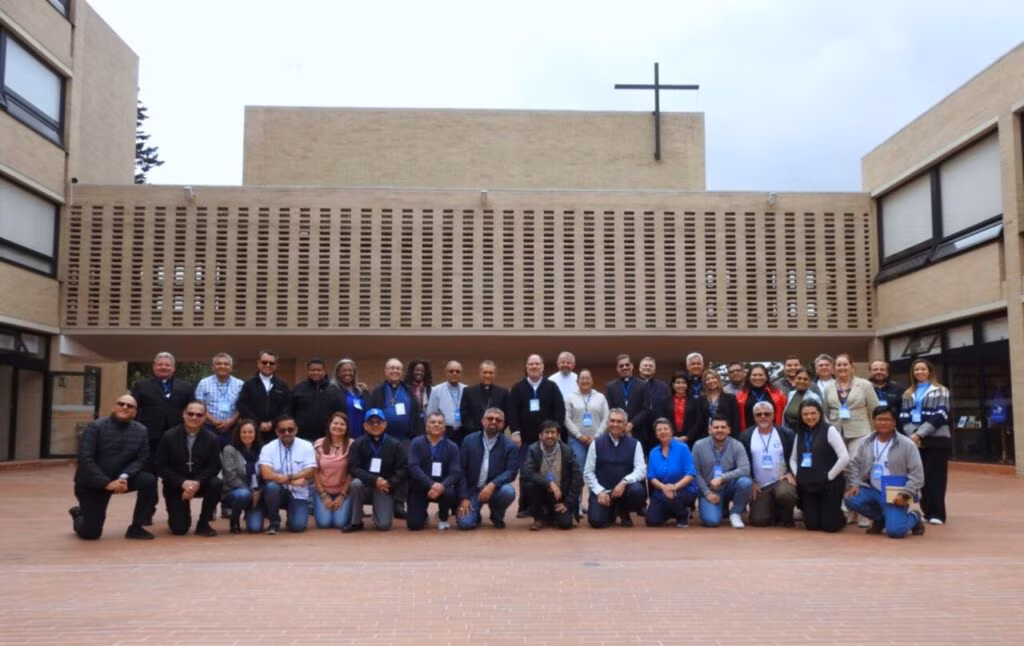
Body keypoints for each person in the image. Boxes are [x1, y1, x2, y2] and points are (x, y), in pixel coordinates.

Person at [69, 394, 156, 540]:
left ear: (135, 412)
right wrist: (106, 483)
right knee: (91, 534)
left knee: (149, 480)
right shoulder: (95, 427)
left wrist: (124, 476)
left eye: (130, 406)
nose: (124, 407)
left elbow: (142, 458)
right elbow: (85, 459)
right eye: (121, 404)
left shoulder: (141, 430)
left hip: (121, 480)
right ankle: (78, 514)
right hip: (92, 483)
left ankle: (136, 527)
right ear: (114, 407)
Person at [131, 351, 193, 525]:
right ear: (154, 367)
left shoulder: (186, 387)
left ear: (173, 368)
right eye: (160, 364)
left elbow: (191, 411)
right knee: (149, 478)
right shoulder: (141, 386)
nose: (163, 367)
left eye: (167, 365)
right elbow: (134, 411)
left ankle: (177, 513)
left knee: (175, 476)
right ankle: (146, 514)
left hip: (176, 441)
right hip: (150, 440)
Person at [845, 407, 927, 538]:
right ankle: (881, 519)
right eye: (879, 419)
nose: (883, 422)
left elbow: (917, 475)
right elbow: (854, 464)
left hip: (895, 492)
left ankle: (914, 517)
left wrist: (905, 495)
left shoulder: (907, 444)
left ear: (894, 422)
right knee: (851, 499)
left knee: (895, 532)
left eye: (887, 419)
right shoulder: (866, 442)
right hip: (872, 489)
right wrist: (854, 484)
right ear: (873, 421)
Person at [823, 353, 880, 526]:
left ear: (852, 367)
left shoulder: (864, 385)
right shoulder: (829, 387)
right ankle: (848, 509)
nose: (842, 368)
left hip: (860, 431)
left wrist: (875, 433)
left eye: (845, 364)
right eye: (838, 365)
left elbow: (875, 409)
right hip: (837, 433)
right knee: (844, 470)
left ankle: (863, 511)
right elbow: (825, 412)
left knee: (859, 469)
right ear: (834, 368)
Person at [155, 400, 223, 537]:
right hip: (175, 485)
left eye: (199, 415)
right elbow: (160, 466)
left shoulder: (212, 439)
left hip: (200, 483)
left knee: (216, 483)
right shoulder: (169, 436)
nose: (194, 417)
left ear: (204, 417)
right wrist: (182, 482)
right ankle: (178, 511)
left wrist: (196, 483)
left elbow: (214, 466)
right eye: (190, 413)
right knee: (179, 529)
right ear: (184, 414)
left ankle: (204, 523)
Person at [509, 354, 566, 516]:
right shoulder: (518, 387)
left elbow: (559, 410)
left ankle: (548, 504)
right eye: (531, 364)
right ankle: (525, 507)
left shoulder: (552, 386)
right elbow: (512, 411)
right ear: (526, 367)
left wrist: (556, 432)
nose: (534, 366)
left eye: (537, 364)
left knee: (548, 471)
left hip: (548, 439)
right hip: (525, 439)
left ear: (542, 367)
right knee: (526, 473)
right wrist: (515, 432)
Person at [899, 358, 951, 526]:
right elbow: (904, 416)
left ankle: (938, 513)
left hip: (936, 440)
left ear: (929, 371)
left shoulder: (941, 390)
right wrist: (912, 435)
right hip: (915, 441)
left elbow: (941, 414)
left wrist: (919, 434)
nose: (919, 372)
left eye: (923, 369)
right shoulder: (908, 393)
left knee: (936, 478)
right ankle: (927, 512)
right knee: (921, 477)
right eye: (916, 370)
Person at [368, 358, 422, 518]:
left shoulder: (408, 391)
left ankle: (399, 503)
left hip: (404, 439)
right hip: (381, 438)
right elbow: (370, 414)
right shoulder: (377, 391)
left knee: (404, 469)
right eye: (391, 368)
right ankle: (381, 502)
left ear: (402, 372)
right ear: (386, 371)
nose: (395, 371)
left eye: (398, 368)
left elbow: (416, 415)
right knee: (382, 468)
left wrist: (417, 438)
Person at [790, 399, 849, 533]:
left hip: (829, 485)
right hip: (809, 485)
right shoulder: (800, 433)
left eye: (813, 413)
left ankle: (839, 516)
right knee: (812, 525)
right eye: (805, 414)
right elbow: (793, 459)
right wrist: (798, 474)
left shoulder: (830, 430)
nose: (809, 417)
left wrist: (829, 476)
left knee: (829, 526)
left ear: (820, 413)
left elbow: (844, 457)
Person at [583, 408, 647, 528]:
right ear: (607, 423)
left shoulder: (635, 444)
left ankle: (623, 511)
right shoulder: (596, 443)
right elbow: (588, 472)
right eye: (612, 421)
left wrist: (624, 482)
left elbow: (641, 470)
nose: (615, 424)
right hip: (603, 491)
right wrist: (599, 491)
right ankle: (611, 511)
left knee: (638, 491)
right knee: (597, 522)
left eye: (619, 421)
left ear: (625, 424)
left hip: (625, 491)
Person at [456, 408, 519, 530]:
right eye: (490, 418)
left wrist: (492, 484)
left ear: (503, 424)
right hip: (472, 489)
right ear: (483, 421)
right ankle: (475, 514)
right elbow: (461, 470)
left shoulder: (509, 445)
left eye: (498, 420)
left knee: (508, 491)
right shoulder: (469, 440)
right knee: (465, 524)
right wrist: (464, 498)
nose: (494, 422)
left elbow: (511, 471)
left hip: (496, 489)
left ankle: (496, 515)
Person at [347, 408, 408, 532]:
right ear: (365, 425)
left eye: (379, 422)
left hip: (384, 488)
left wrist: (389, 483)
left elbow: (402, 468)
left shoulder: (395, 444)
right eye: (371, 422)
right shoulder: (358, 444)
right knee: (355, 484)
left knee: (383, 525)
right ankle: (356, 522)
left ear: (385, 424)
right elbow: (353, 467)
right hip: (365, 487)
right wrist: (374, 480)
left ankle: (378, 514)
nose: (375, 425)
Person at [738, 401, 798, 527]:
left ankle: (787, 515)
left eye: (767, 414)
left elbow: (795, 456)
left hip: (781, 480)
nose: (763, 417)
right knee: (759, 521)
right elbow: (741, 462)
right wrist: (750, 481)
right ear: (754, 417)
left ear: (773, 415)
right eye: (759, 414)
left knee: (786, 494)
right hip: (759, 485)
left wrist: (791, 472)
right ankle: (773, 510)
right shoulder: (746, 436)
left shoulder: (786, 434)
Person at [692, 414, 753, 528]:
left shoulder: (737, 445)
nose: (720, 430)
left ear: (729, 430)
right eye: (716, 427)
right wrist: (707, 493)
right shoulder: (699, 446)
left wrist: (722, 478)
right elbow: (695, 472)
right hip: (710, 489)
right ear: (710, 430)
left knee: (745, 482)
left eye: (723, 427)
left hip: (729, 486)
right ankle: (721, 507)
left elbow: (745, 469)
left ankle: (735, 513)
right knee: (712, 521)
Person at [521, 420, 583, 530]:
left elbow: (577, 478)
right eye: (546, 432)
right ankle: (538, 518)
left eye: (553, 432)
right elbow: (527, 472)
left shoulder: (567, 451)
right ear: (540, 436)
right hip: (541, 493)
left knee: (565, 524)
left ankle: (550, 516)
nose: (550, 436)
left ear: (558, 436)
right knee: (529, 484)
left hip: (560, 496)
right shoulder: (533, 449)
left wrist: (567, 503)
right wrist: (549, 484)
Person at [258, 415, 316, 534]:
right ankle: (274, 520)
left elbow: (311, 471)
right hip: (278, 492)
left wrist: (289, 477)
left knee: (297, 527)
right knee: (271, 487)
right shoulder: (268, 448)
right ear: (276, 432)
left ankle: (291, 516)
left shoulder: (306, 446)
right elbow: (266, 473)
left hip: (298, 494)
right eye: (282, 430)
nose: (286, 433)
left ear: (296, 430)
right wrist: (293, 480)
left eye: (290, 429)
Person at [406, 412, 463, 530]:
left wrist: (442, 486)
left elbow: (456, 472)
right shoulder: (416, 443)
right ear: (426, 425)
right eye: (433, 422)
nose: (436, 425)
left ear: (444, 427)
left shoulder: (452, 446)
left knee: (450, 492)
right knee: (414, 525)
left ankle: (443, 517)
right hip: (420, 487)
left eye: (440, 422)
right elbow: (413, 466)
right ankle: (423, 515)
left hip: (443, 488)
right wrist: (430, 484)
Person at [645, 418, 698, 528]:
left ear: (672, 432)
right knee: (651, 520)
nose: (663, 432)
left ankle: (683, 514)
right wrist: (663, 487)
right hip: (662, 490)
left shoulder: (683, 448)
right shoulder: (653, 452)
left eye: (666, 429)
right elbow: (651, 477)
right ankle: (674, 511)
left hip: (684, 489)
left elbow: (690, 474)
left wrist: (674, 487)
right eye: (659, 430)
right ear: (656, 434)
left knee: (668, 497)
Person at [236, 349, 291, 444]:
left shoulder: (282, 385)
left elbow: (287, 407)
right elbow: (242, 405)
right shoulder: (249, 384)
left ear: (276, 365)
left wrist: (273, 423)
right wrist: (258, 423)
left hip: (276, 432)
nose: (268, 365)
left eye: (271, 363)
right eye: (264, 362)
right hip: (254, 432)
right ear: (258, 363)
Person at [563, 369, 609, 480]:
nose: (585, 381)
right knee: (578, 469)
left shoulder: (600, 397)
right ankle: (579, 492)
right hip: (576, 440)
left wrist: (597, 436)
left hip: (597, 440)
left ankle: (595, 491)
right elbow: (566, 418)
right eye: (582, 379)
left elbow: (606, 417)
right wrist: (579, 435)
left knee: (596, 469)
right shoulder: (569, 397)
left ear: (592, 381)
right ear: (577, 382)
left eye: (587, 378)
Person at [220, 419, 264, 534]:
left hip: (257, 493)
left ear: (255, 433)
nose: (247, 435)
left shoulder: (262, 450)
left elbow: (266, 474)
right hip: (235, 491)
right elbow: (230, 476)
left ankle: (261, 512)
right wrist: (251, 491)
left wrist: (259, 491)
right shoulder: (229, 450)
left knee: (255, 528)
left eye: (250, 432)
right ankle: (234, 520)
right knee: (243, 494)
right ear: (238, 433)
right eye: (244, 432)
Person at [312, 412, 355, 530]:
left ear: (347, 428)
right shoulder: (319, 443)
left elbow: (352, 472)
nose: (338, 426)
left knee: (340, 523)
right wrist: (323, 495)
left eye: (342, 424)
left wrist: (342, 495)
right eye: (335, 423)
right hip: (323, 490)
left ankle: (349, 508)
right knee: (324, 523)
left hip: (344, 491)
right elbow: (314, 471)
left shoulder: (352, 445)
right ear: (329, 425)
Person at [193, 352, 244, 447]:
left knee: (230, 454)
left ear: (231, 368)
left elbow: (243, 407)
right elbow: (199, 406)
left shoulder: (240, 384)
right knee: (209, 454)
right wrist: (214, 421)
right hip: (208, 428)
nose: (222, 366)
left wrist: (230, 422)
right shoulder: (203, 383)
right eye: (219, 363)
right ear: (213, 367)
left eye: (226, 364)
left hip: (232, 428)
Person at [290, 357, 344, 443]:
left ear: (324, 371)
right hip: (302, 438)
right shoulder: (298, 389)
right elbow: (289, 411)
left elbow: (341, 413)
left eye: (319, 370)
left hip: (327, 438)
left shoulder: (334, 390)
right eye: (313, 370)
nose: (316, 372)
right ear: (308, 372)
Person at [459, 360, 511, 437]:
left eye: (491, 373)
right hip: (473, 435)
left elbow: (507, 415)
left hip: (496, 435)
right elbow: (464, 415)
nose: (487, 375)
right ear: (480, 373)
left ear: (495, 374)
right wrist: (476, 431)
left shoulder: (503, 392)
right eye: (485, 372)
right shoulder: (468, 391)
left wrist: (496, 430)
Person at [604, 354, 647, 439]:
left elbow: (646, 409)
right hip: (617, 430)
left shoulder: (643, 385)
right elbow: (609, 409)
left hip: (638, 430)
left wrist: (632, 423)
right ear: (617, 368)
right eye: (621, 366)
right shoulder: (610, 387)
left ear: (632, 366)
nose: (624, 367)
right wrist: (621, 424)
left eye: (627, 365)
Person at [426, 360, 467, 445]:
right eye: (451, 371)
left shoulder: (466, 389)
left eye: (457, 371)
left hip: (463, 431)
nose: (454, 373)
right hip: (444, 431)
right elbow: (431, 413)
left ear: (461, 374)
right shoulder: (436, 390)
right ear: (446, 373)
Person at [736, 363, 787, 431]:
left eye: (761, 375)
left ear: (766, 377)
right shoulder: (740, 396)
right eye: (754, 375)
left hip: (774, 432)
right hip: (749, 434)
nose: (757, 377)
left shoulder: (779, 394)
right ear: (749, 377)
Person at [637, 356, 670, 453]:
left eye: (650, 366)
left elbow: (668, 408)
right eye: (645, 365)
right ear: (640, 368)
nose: (648, 367)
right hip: (638, 429)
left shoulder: (663, 387)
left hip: (658, 431)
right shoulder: (634, 385)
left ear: (654, 370)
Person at [659, 370, 702, 445]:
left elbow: (698, 421)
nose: (681, 385)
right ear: (673, 384)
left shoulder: (694, 401)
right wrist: (671, 435)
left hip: (690, 440)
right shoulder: (665, 401)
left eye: (683, 382)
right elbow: (662, 419)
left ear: (687, 384)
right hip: (669, 439)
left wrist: (688, 436)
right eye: (678, 382)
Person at [332, 358, 370, 440]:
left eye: (350, 370)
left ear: (354, 372)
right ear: (338, 373)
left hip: (362, 434)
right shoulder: (332, 390)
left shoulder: (361, 390)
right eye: (344, 371)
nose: (347, 373)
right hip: (342, 434)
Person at [700, 369, 740, 446]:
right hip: (706, 437)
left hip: (727, 437)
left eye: (713, 378)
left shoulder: (730, 398)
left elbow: (735, 420)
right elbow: (699, 421)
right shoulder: (701, 399)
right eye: (708, 379)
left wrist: (735, 438)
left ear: (718, 379)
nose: (711, 381)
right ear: (705, 383)